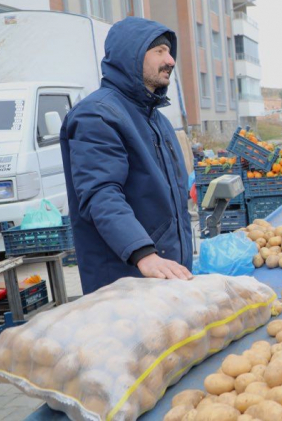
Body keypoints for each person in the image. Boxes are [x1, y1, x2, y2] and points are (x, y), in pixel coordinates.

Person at [60, 18, 193, 294]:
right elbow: (100, 194)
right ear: (131, 55)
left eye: (169, 52)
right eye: (159, 51)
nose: (170, 60)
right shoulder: (97, 115)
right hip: (126, 281)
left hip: (165, 276)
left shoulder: (157, 119)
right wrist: (143, 254)